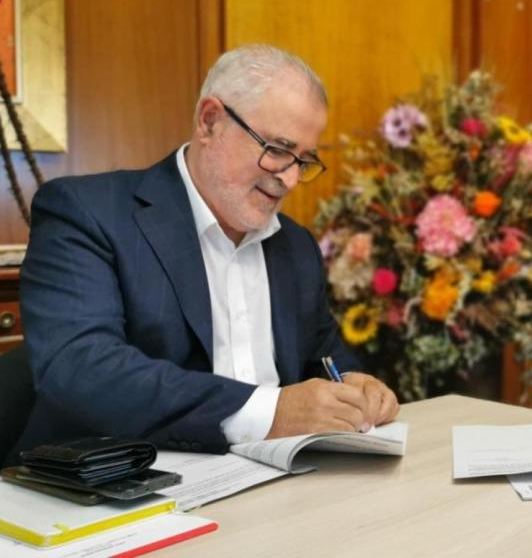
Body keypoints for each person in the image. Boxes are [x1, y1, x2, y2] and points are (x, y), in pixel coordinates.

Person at [14, 44, 399, 459]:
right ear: (210, 121)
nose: (289, 180)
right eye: (277, 151)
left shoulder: (296, 246)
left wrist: (356, 385)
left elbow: (323, 356)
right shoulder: (87, 213)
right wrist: (270, 411)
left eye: (303, 161)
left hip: (271, 485)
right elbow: (82, 368)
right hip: (116, 488)